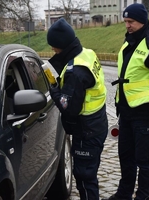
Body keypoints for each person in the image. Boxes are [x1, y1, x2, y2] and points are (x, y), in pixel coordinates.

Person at [103, 3, 149, 200]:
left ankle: (143, 196)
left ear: (142, 20)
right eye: (125, 21)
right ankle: (124, 194)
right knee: (126, 157)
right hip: (126, 112)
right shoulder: (130, 42)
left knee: (145, 161)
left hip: (145, 113)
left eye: (131, 21)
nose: (127, 25)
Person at [46, 18, 108, 200]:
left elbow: (69, 107)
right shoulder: (86, 53)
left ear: (62, 45)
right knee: (88, 173)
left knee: (84, 176)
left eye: (54, 46)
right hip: (97, 123)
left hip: (86, 130)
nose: (52, 49)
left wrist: (54, 90)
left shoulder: (75, 72)